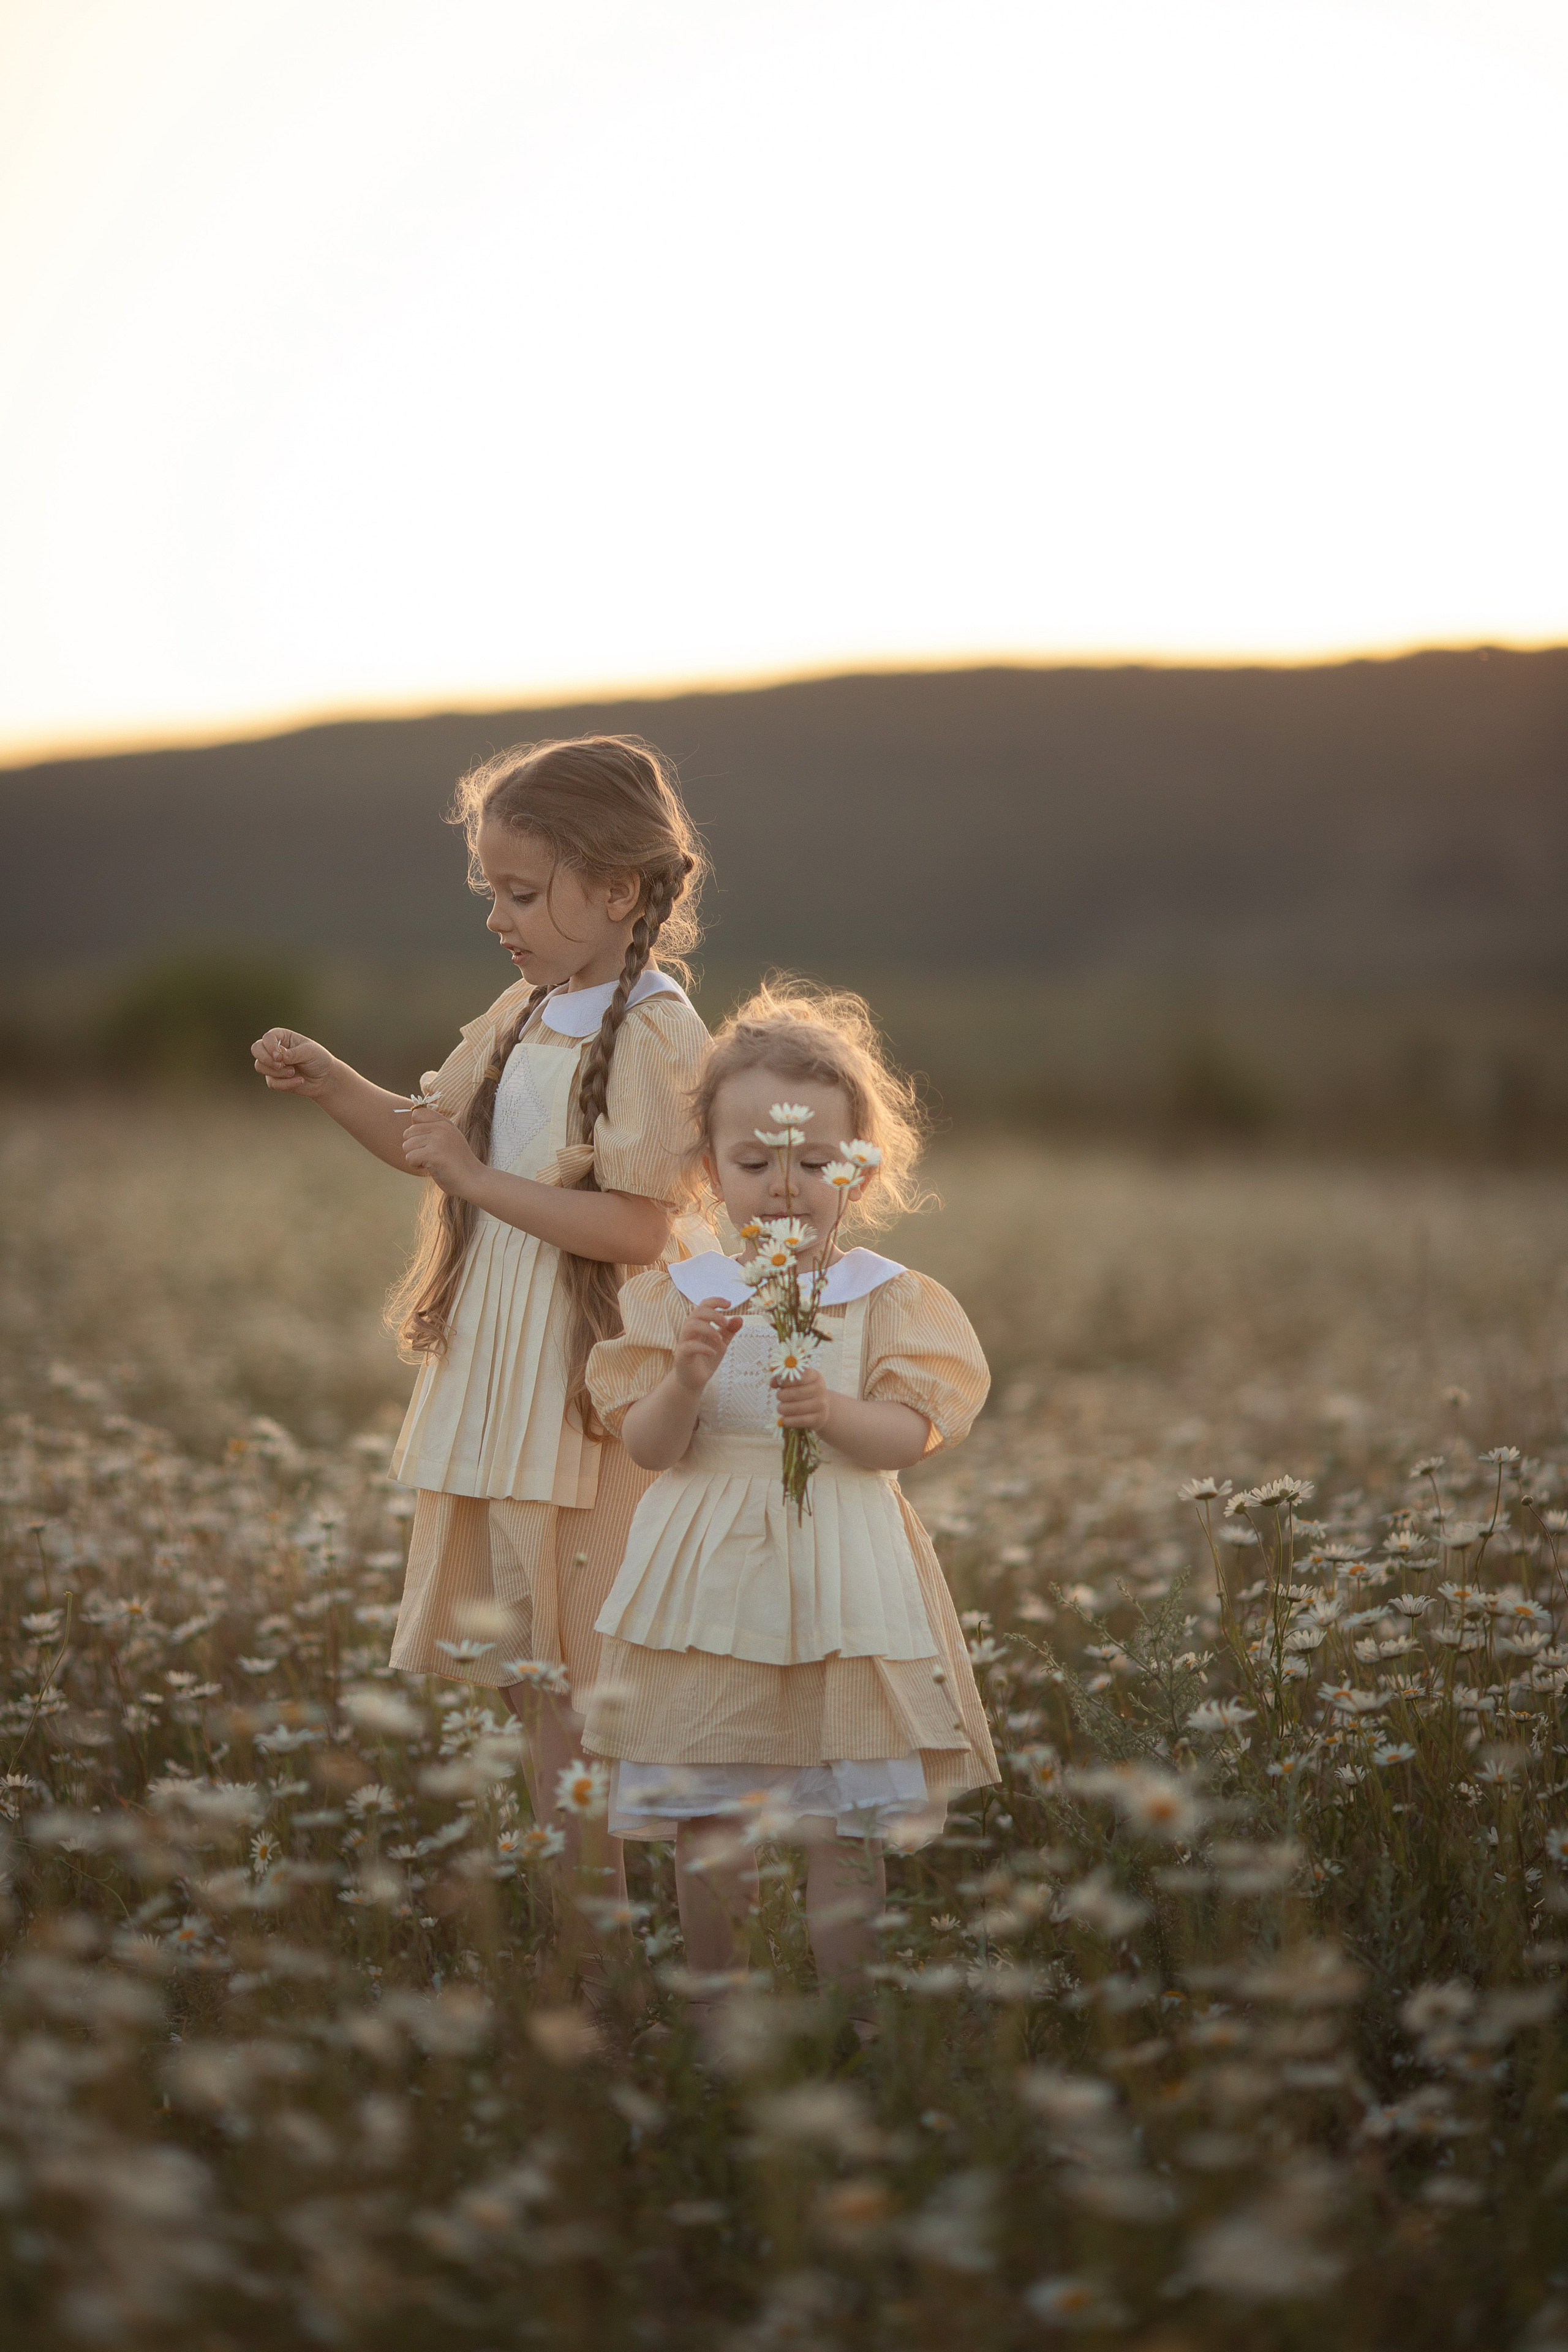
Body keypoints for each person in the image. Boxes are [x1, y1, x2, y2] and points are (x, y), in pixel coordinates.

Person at [251, 736, 711, 1887]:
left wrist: (477, 1182)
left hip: (584, 1377)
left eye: (521, 892)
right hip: (496, 1367)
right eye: (490, 894)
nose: (498, 918)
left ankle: (619, 1937)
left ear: (618, 889)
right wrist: (333, 1083)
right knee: (529, 1672)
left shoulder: (655, 1029)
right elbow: (430, 1141)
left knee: (585, 1662)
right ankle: (585, 1931)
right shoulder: (525, 1008)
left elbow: (641, 1228)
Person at [578, 983, 998, 2034]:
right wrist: (681, 1381)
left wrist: (838, 1413)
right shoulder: (682, 1296)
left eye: (816, 1163)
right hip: (709, 1579)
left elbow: (917, 1432)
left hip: (840, 1578)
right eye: (754, 1162)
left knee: (841, 1818)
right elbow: (648, 1448)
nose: (785, 1187)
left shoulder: (884, 1295)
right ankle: (724, 2025)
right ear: (707, 1168)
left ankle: (857, 2020)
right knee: (709, 1813)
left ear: (862, 1166)